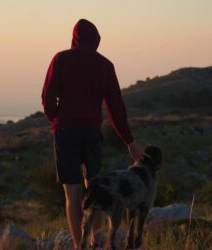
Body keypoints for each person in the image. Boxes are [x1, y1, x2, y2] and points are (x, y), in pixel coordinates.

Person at [41, 19, 145, 250]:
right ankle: (96, 243)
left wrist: (57, 118)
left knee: (72, 195)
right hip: (91, 134)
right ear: (96, 39)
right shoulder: (105, 65)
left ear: (74, 38)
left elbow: (47, 98)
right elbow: (115, 108)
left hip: (65, 132)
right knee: (95, 191)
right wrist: (129, 141)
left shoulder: (60, 59)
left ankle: (80, 246)